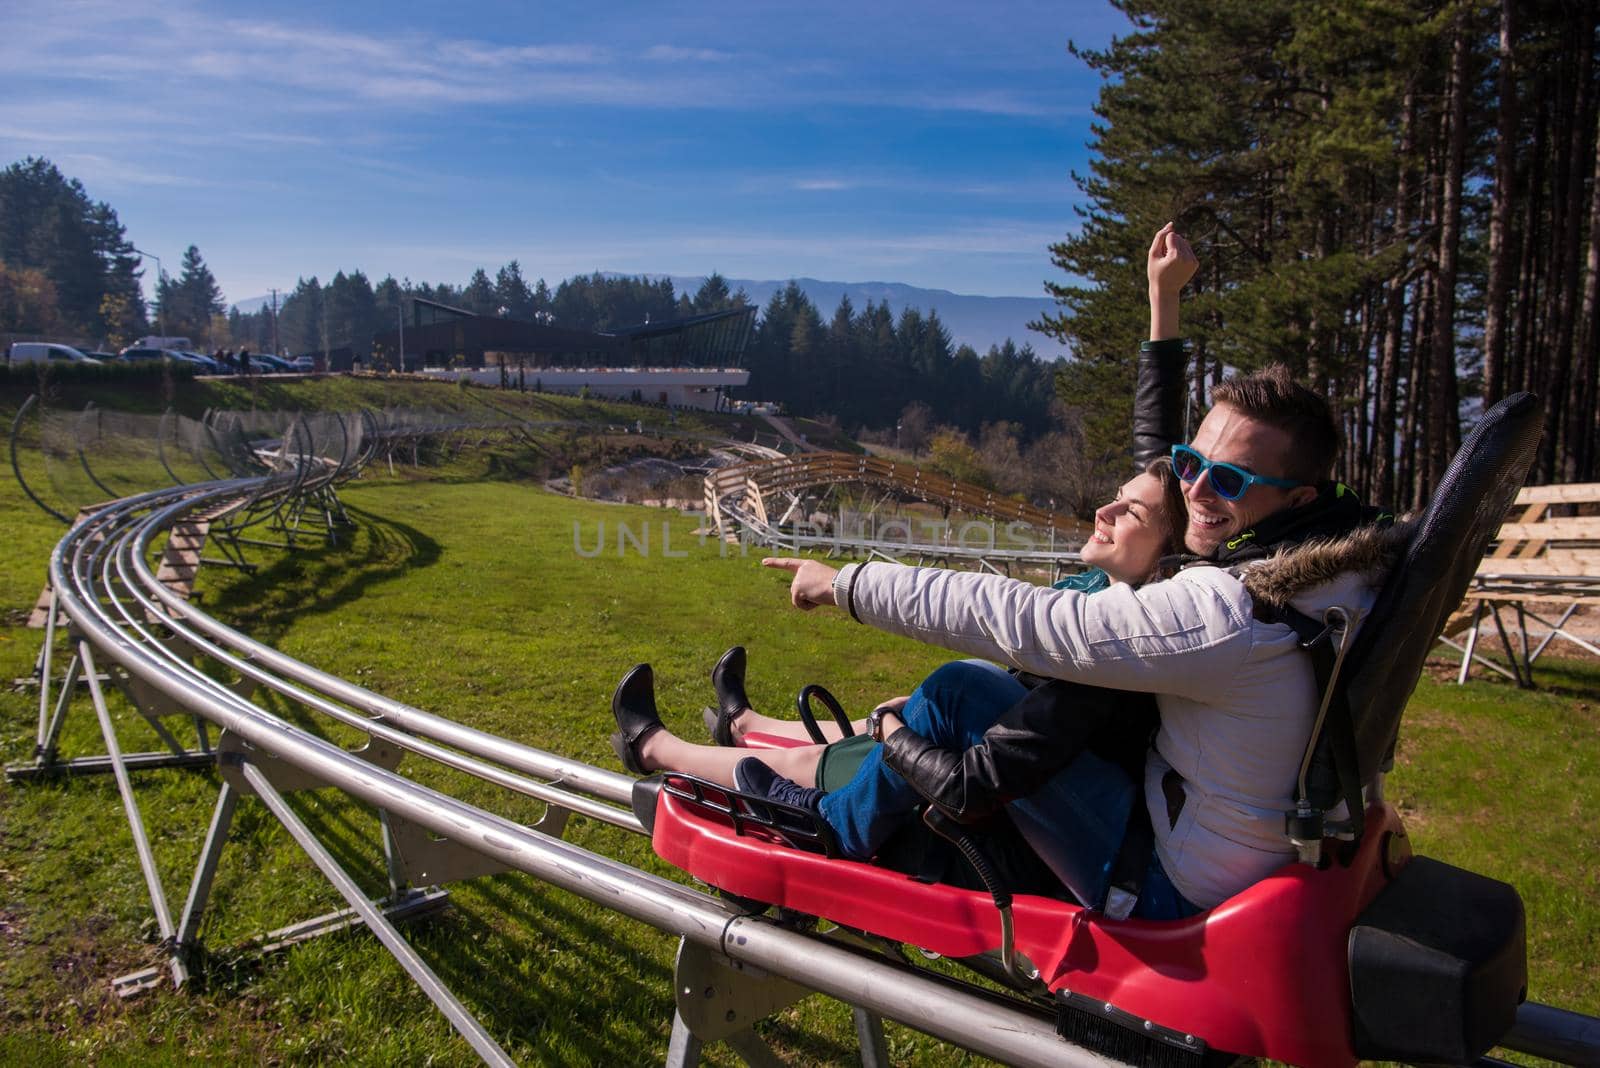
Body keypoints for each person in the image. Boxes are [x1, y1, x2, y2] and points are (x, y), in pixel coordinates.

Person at [615, 226, 1402, 918]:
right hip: (1216, 843)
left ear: (1297, 497)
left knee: (954, 689)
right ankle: (755, 754)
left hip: (1166, 883)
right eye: (1193, 468)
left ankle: (826, 829)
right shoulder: (1323, 563)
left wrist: (847, 584)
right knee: (928, 706)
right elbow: (1164, 469)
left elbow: (1018, 618)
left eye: (1225, 481)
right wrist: (1164, 311)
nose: (1195, 488)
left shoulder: (1222, 613)